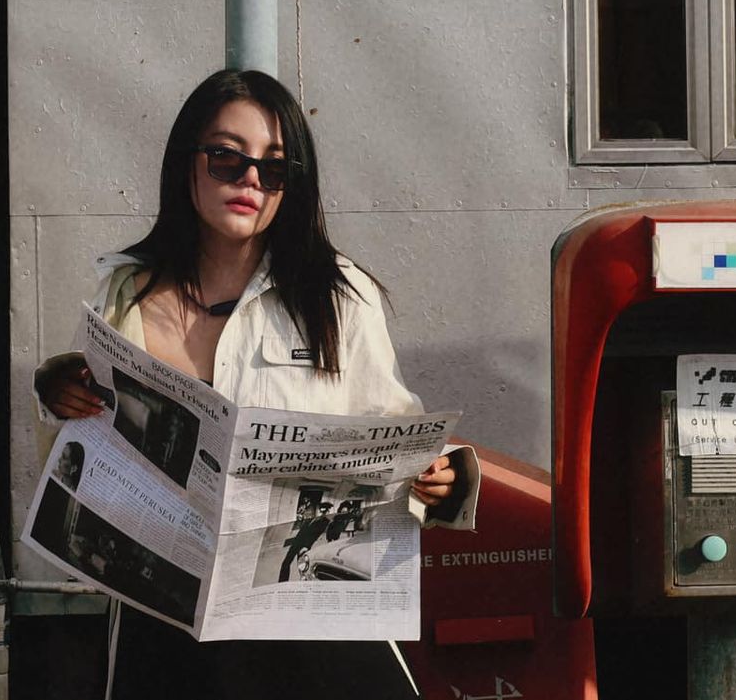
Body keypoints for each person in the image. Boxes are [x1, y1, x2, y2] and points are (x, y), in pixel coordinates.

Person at [35, 69, 471, 698]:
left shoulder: (340, 297)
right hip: (164, 624)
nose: (250, 181)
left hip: (307, 632)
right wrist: (58, 389)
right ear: (186, 163)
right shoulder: (125, 292)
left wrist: (440, 475)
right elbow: (93, 428)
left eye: (274, 168)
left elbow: (396, 431)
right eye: (226, 157)